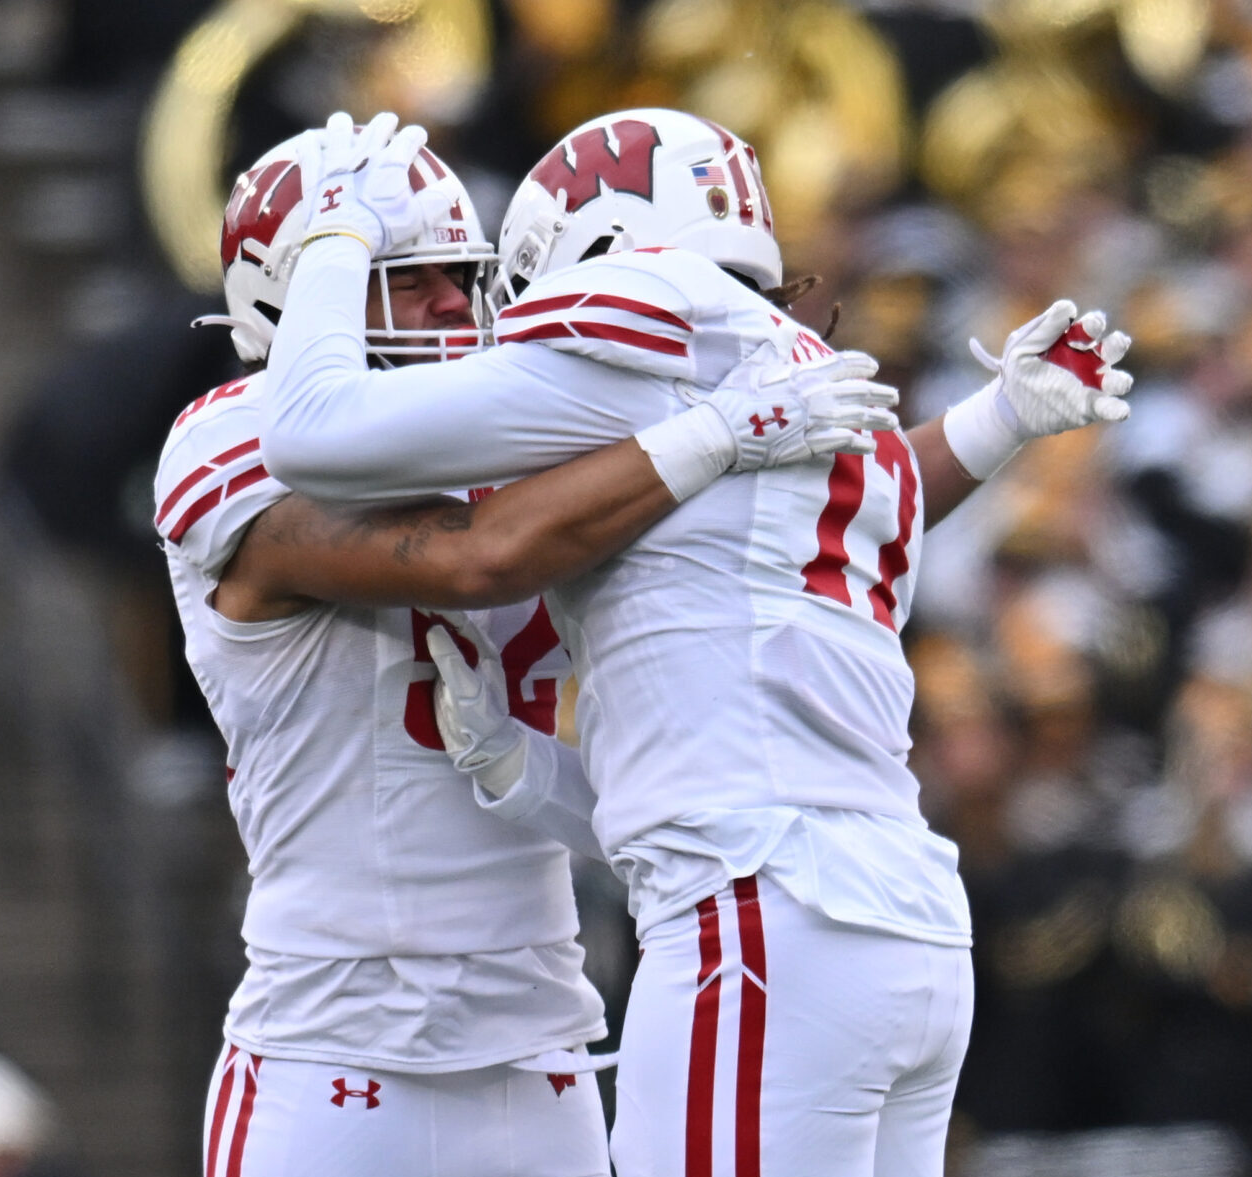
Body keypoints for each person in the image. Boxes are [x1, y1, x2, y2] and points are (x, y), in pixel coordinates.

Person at [257, 108, 1133, 1177]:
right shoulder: (809, 383)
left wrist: (336, 232)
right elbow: (736, 691)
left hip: (767, 924)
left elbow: (308, 432)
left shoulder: (650, 307)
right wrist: (516, 764)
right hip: (903, 932)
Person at [156, 125, 898, 1177]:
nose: (458, 307)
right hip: (328, 1047)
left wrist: (989, 422)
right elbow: (475, 559)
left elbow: (817, 519)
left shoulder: (538, 434)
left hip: (539, 1050)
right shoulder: (233, 438)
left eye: (464, 277)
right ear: (299, 288)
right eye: (409, 281)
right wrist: (711, 432)